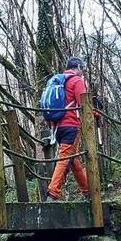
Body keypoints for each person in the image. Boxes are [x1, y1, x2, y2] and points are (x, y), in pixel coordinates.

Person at [46, 57, 91, 201]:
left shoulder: (58, 81)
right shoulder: (76, 81)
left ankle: (88, 191)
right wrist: (95, 114)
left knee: (73, 158)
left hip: (57, 127)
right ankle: (53, 193)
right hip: (71, 125)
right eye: (82, 68)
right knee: (65, 158)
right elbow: (84, 103)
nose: (82, 71)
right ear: (78, 67)